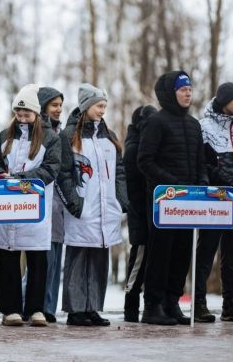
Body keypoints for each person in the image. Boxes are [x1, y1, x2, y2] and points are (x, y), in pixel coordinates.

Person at [0, 84, 61, 327]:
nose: (22, 118)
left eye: (26, 114)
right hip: (9, 205)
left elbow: (51, 169)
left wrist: (19, 179)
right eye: (18, 114)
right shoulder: (5, 135)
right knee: (8, 255)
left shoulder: (49, 138)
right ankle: (10, 309)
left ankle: (36, 308)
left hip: (36, 205)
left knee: (38, 257)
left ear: (36, 113)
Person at [138, 71, 208, 325]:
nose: (188, 93)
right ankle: (152, 306)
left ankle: (172, 302)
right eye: (182, 90)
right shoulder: (156, 123)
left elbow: (201, 162)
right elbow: (144, 161)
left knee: (182, 253)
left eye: (190, 89)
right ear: (170, 93)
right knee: (161, 254)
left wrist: (201, 183)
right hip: (164, 204)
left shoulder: (193, 125)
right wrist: (173, 184)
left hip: (189, 204)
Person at [61, 84, 127, 327]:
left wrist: (121, 200)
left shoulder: (109, 137)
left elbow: (120, 171)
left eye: (104, 107)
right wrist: (75, 203)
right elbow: (64, 174)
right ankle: (75, 310)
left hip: (106, 210)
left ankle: (93, 308)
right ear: (86, 106)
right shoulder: (69, 136)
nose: (102, 111)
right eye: (99, 106)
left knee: (99, 259)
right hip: (82, 208)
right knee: (78, 257)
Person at [195, 83, 233, 323]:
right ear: (224, 101)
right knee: (206, 251)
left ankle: (230, 303)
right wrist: (215, 175)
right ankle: (199, 302)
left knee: (232, 253)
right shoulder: (204, 127)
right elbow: (202, 161)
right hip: (214, 200)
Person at [38, 86, 83, 323]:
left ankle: (48, 307)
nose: (58, 109)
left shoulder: (62, 132)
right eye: (54, 105)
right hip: (42, 203)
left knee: (54, 258)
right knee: (43, 259)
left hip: (59, 206)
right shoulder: (42, 133)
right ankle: (37, 304)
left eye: (60, 105)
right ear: (43, 106)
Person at [122, 105, 157, 323]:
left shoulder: (143, 144)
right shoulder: (135, 148)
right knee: (139, 261)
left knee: (146, 261)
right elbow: (135, 187)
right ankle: (130, 307)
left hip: (149, 213)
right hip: (140, 215)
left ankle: (140, 307)